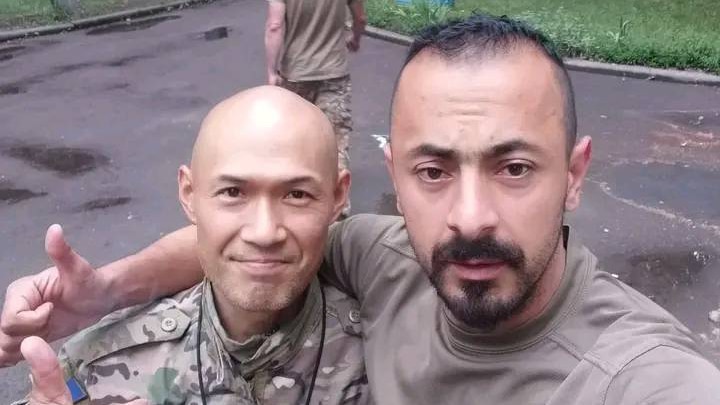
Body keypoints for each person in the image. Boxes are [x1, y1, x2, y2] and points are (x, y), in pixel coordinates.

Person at [4, 14, 720, 404]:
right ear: (394, 177)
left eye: (514, 167)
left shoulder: (636, 374)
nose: (470, 217)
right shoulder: (391, 259)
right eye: (434, 170)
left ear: (575, 173)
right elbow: (260, 245)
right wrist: (106, 291)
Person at [8, 86, 371, 405]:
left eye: (297, 194)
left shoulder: (384, 353)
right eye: (233, 192)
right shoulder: (99, 362)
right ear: (189, 194)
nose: (264, 232)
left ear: (338, 197)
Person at [265, 0, 367, 175]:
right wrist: (355, 39)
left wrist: (272, 72)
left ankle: (299, 192)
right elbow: (360, 18)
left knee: (295, 137)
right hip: (333, 73)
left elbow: (275, 26)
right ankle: (338, 198)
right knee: (336, 142)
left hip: (296, 74)